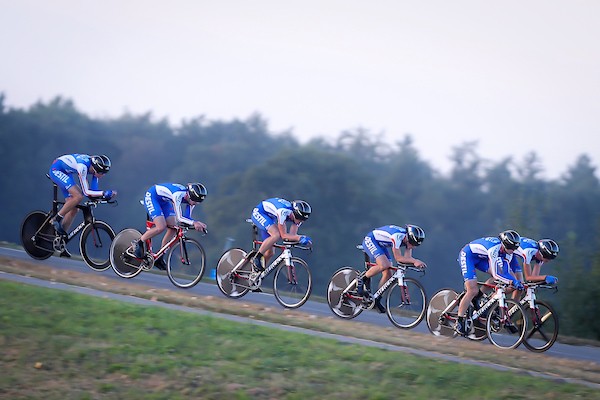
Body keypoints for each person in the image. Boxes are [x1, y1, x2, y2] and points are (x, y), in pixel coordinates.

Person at [455, 230, 524, 336]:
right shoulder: (494, 249)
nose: (512, 251)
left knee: (500, 276)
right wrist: (512, 281)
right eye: (510, 248)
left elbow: (505, 272)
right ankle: (459, 321)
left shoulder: (508, 252)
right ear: (504, 244)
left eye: (514, 249)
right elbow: (497, 275)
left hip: (481, 258)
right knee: (472, 289)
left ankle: (479, 297)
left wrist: (516, 282)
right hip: (468, 256)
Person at [49, 154, 116, 256]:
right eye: (102, 172)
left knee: (74, 209)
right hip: (57, 169)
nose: (103, 175)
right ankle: (56, 219)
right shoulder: (83, 167)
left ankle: (60, 242)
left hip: (67, 172)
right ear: (95, 168)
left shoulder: (95, 168)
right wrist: (103, 193)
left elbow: (93, 191)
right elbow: (86, 192)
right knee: (78, 196)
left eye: (105, 173)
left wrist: (104, 196)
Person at [133, 182, 208, 270]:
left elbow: (187, 218)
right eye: (195, 201)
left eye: (198, 202)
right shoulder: (178, 195)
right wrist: (194, 223)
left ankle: (160, 256)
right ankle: (139, 242)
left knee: (173, 228)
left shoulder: (192, 199)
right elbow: (180, 218)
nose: (195, 204)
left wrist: (195, 223)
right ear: (189, 195)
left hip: (164, 201)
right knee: (161, 226)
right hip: (153, 196)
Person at [356, 224, 426, 313]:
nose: (413, 247)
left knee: (388, 273)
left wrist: (415, 263)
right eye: (412, 244)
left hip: (381, 245)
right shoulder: (397, 236)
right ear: (408, 238)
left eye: (416, 245)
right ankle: (361, 279)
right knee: (384, 265)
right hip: (371, 239)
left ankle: (376, 299)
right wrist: (415, 261)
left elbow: (407, 259)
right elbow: (399, 258)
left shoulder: (408, 240)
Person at [250, 197, 312, 272]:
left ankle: (257, 274)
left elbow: (291, 236)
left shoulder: (299, 217)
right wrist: (300, 238)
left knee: (270, 252)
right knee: (276, 234)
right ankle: (256, 257)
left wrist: (300, 240)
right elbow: (284, 235)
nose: (300, 221)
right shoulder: (283, 211)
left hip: (270, 217)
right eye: (299, 218)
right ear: (294, 213)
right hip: (260, 212)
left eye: (303, 220)